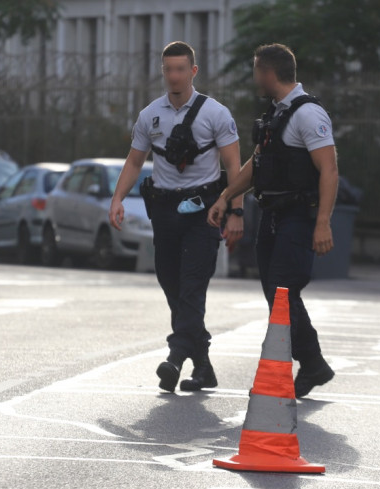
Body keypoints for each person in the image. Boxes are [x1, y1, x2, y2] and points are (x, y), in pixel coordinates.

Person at [109, 41, 244, 393]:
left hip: (205, 213)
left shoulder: (216, 113)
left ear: (193, 71)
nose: (174, 76)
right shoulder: (150, 115)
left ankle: (175, 357)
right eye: (168, 70)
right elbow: (135, 161)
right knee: (172, 286)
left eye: (181, 69)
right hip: (166, 212)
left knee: (192, 286)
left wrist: (236, 211)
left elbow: (234, 167)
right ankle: (204, 367)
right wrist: (117, 198)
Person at [207, 43, 338, 398]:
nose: (254, 78)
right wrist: (225, 197)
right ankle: (312, 363)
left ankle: (302, 366)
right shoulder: (277, 113)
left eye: (255, 71)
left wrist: (322, 222)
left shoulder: (308, 114)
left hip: (298, 216)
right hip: (273, 214)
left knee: (282, 291)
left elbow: (329, 169)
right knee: (275, 293)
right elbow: (257, 165)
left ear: (267, 73)